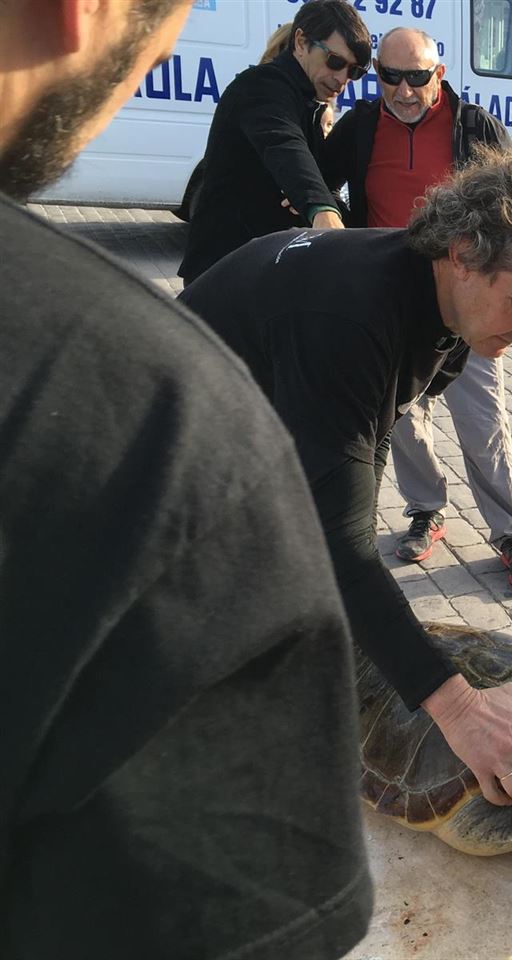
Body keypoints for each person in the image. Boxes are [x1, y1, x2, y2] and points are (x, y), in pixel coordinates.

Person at [0, 1, 374, 956]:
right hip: (229, 285)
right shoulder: (149, 424)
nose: (341, 81)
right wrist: (333, 222)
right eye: (335, 64)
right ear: (80, 13)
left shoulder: (321, 99)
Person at [179, 150, 512, 807]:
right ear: (464, 251)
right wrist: (459, 708)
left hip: (242, 439)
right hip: (147, 469)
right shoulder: (353, 316)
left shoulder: (444, 305)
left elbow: (367, 442)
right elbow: (344, 549)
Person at [323, 27, 512, 589]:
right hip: (391, 292)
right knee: (400, 416)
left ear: (438, 75)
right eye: (390, 77)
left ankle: (511, 532)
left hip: (468, 296)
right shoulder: (360, 127)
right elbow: (318, 180)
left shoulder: (475, 128)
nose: (403, 90)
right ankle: (426, 509)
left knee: (481, 417)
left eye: (417, 77)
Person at [178, 0, 370, 283]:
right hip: (221, 273)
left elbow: (315, 172)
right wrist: (321, 210)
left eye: (354, 71)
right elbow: (285, 146)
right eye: (336, 61)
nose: (342, 79)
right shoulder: (261, 87)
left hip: (259, 272)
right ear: (301, 42)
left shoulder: (308, 103)